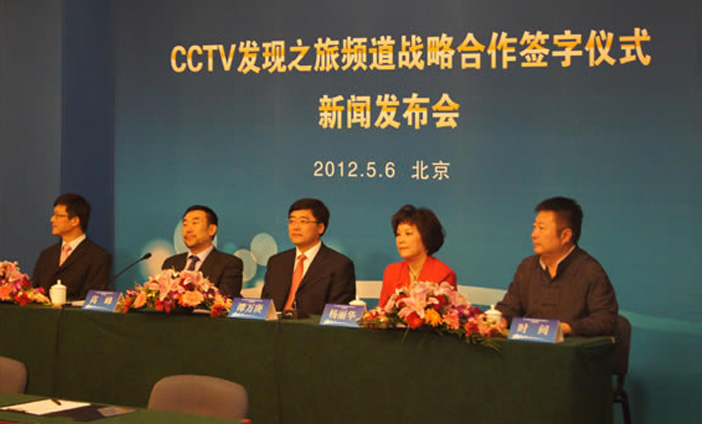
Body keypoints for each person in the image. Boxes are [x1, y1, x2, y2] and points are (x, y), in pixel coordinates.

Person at [496, 197, 618, 336]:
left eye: (541, 228)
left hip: (569, 347)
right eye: (534, 227)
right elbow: (510, 307)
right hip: (530, 346)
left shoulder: (590, 271)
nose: (534, 235)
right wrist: (502, 319)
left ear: (565, 236)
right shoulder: (527, 267)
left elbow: (606, 320)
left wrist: (566, 328)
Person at [261, 198, 356, 316]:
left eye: (303, 221)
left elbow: (337, 314)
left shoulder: (339, 265)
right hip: (274, 326)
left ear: (320, 228)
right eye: (292, 221)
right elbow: (264, 308)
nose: (295, 227)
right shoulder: (276, 262)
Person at [33, 193, 112, 300]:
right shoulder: (47, 255)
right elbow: (35, 290)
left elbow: (92, 299)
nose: (52, 219)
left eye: (58, 215)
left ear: (74, 221)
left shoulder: (98, 256)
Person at [379, 205, 457, 307]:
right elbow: (382, 311)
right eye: (398, 234)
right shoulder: (391, 272)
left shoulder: (444, 274)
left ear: (426, 236)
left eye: (408, 233)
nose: (400, 240)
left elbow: (447, 313)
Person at [162, 205, 243, 298]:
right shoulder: (171, 263)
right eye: (185, 224)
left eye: (195, 223)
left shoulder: (229, 264)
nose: (188, 230)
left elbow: (226, 299)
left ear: (211, 230)